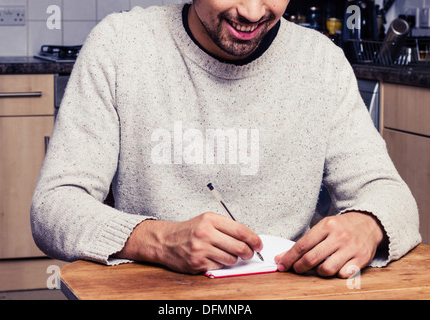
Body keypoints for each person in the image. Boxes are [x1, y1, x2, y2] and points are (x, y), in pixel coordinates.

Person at [31, 0, 421, 279]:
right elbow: (54, 207)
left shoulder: (322, 62)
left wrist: (368, 225)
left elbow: (389, 194)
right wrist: (157, 240)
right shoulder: (119, 47)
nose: (252, 12)